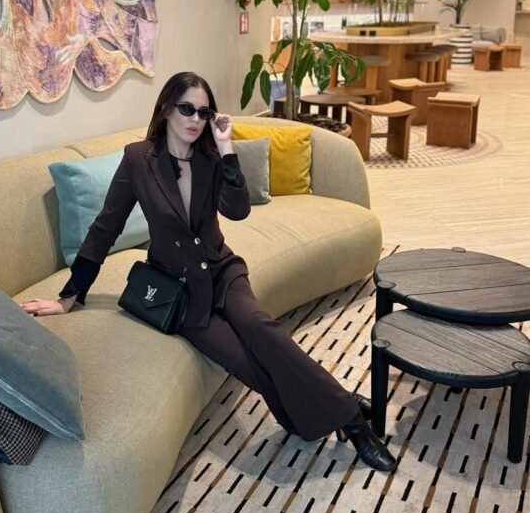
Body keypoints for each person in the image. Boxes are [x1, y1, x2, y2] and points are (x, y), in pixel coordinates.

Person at [21, 72, 396, 473]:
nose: (195, 119)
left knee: (261, 330)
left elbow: (238, 211)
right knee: (245, 362)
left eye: (203, 112)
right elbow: (105, 227)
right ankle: (342, 405)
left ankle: (353, 424)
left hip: (222, 271)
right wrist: (70, 295)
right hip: (179, 291)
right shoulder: (138, 160)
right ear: (166, 109)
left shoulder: (211, 158)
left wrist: (226, 149)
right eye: (187, 109)